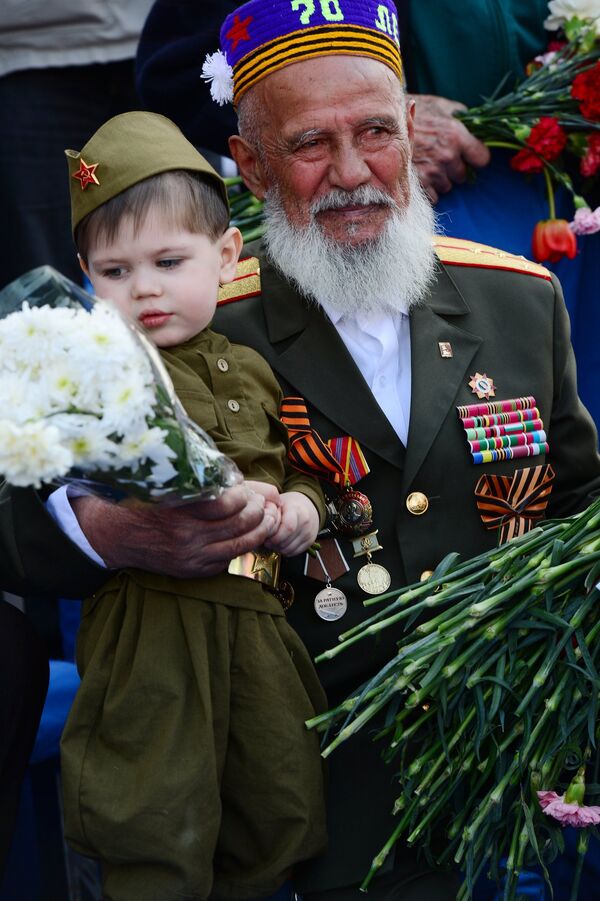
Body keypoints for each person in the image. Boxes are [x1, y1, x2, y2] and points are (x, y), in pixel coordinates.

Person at [1, 1, 600, 899]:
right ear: (249, 163)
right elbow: (23, 525)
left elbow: (576, 510)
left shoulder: (518, 299)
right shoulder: (184, 319)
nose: (354, 172)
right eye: (312, 144)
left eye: (376, 132)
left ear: (413, 127)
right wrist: (116, 533)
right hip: (287, 808)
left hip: (496, 794)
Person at [58, 110, 327, 901]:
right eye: (112, 271)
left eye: (168, 261)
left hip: (258, 623)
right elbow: (58, 476)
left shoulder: (254, 366)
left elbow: (302, 465)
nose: (142, 288)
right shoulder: (94, 371)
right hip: (154, 628)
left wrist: (302, 509)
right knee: (151, 819)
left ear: (227, 255)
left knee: (277, 809)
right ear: (83, 275)